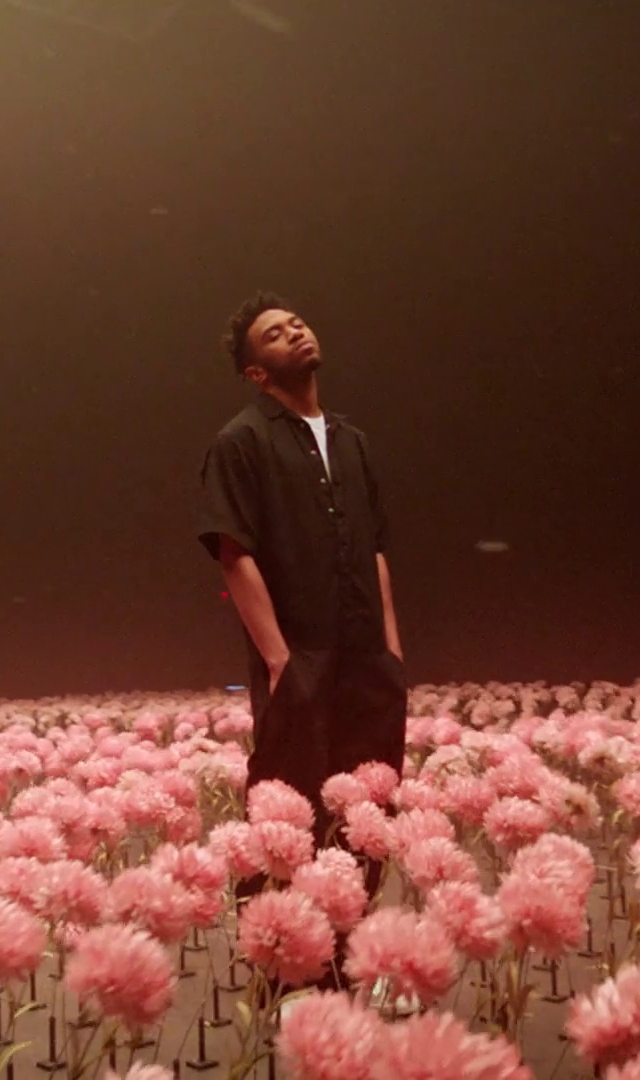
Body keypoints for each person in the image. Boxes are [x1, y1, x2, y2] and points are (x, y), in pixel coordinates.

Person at [195, 292, 409, 929]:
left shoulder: (353, 442)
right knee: (289, 810)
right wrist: (279, 661)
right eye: (274, 334)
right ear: (255, 371)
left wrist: (392, 648)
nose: (294, 332)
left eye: (296, 324)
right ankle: (282, 954)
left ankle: (353, 944)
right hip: (300, 660)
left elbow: (375, 548)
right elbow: (233, 552)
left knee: (368, 812)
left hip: (369, 661)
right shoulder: (241, 441)